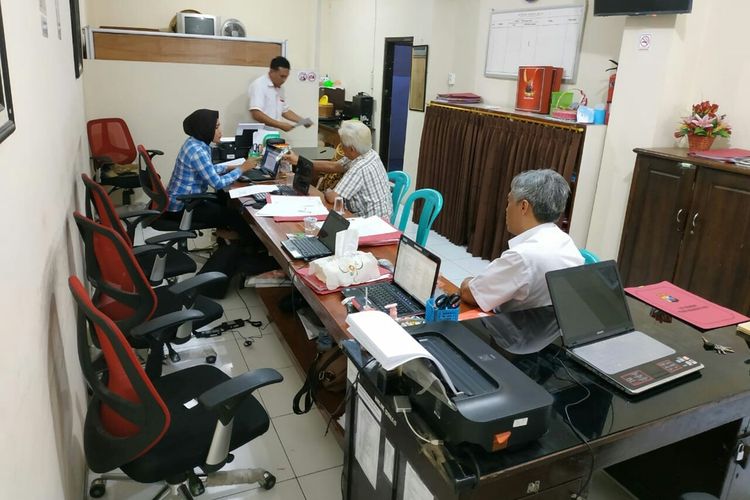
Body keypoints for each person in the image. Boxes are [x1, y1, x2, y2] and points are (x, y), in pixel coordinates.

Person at [460, 169, 583, 313]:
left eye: (509, 201)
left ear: (524, 206)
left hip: (514, 330)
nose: (506, 209)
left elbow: (471, 294)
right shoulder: (566, 241)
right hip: (549, 328)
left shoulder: (522, 256)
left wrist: (468, 281)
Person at [164, 109, 258, 242]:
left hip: (182, 200)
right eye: (216, 127)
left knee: (225, 201)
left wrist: (232, 166)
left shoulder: (194, 143)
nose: (220, 131)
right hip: (183, 207)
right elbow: (217, 183)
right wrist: (242, 169)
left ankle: (227, 238)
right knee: (236, 215)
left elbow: (207, 169)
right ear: (205, 129)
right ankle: (246, 247)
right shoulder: (197, 151)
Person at [283, 120, 392, 219]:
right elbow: (334, 166)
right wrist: (299, 160)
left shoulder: (360, 168)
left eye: (342, 144)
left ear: (352, 149)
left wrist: (328, 191)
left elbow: (333, 198)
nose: (340, 146)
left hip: (371, 223)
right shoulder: (368, 153)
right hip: (371, 215)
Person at [248, 56, 313, 132]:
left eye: (286, 77)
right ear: (271, 72)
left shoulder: (280, 88)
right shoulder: (259, 85)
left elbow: (284, 110)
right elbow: (256, 114)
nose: (284, 80)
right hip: (259, 133)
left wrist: (302, 121)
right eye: (282, 76)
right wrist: (280, 125)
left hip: (273, 133)